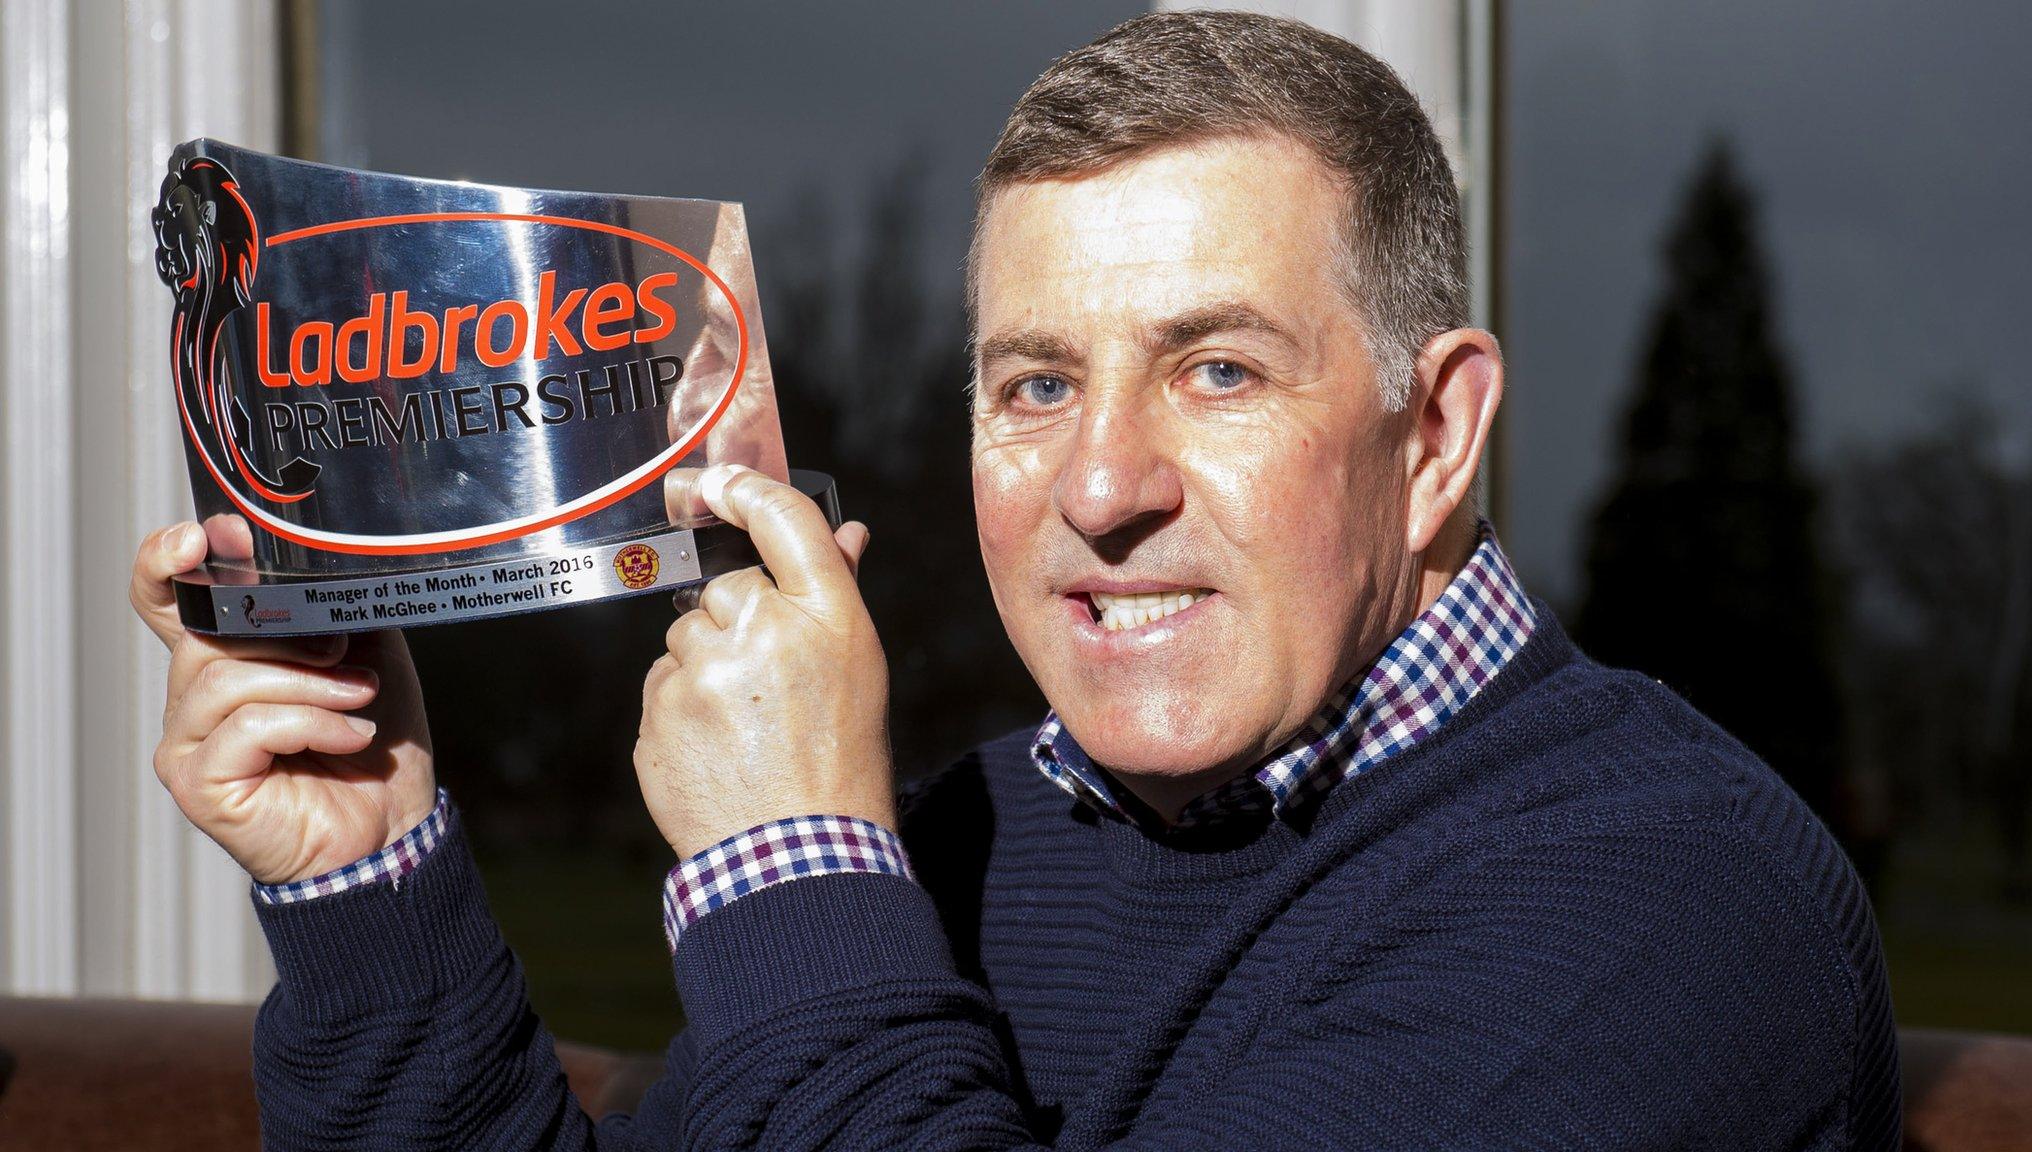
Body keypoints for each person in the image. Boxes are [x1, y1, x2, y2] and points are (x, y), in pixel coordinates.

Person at [129, 12, 1900, 1150]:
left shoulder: (1664, 907)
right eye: (1036, 385)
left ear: (1434, 433)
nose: (1104, 487)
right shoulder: (962, 846)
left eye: (1218, 369)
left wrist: (793, 873)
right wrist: (372, 879)